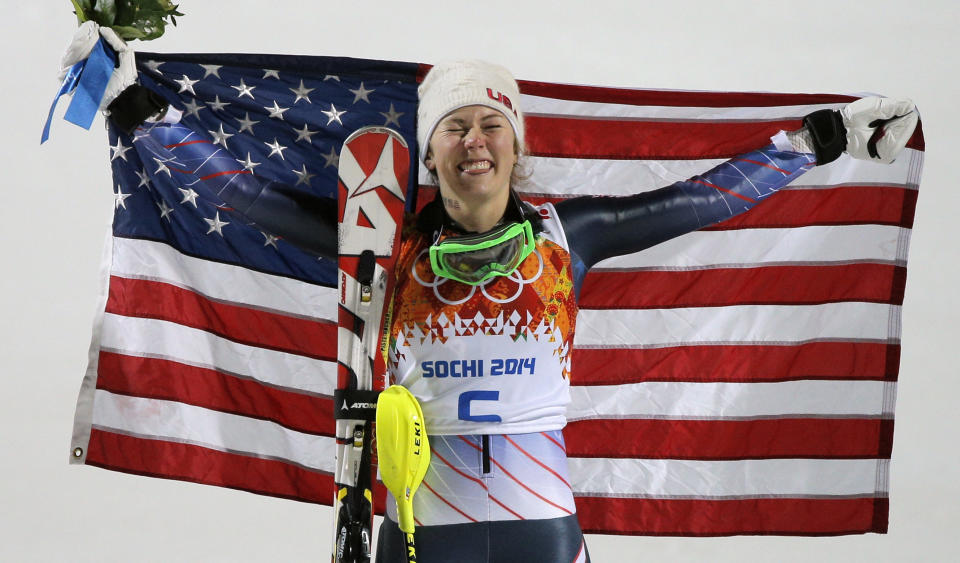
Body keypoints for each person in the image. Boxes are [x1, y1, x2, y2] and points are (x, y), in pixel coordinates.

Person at [72, 29, 917, 561]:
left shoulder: (565, 234)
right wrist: (131, 103)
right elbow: (239, 195)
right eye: (453, 126)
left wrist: (818, 138)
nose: (473, 142)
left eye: (489, 125)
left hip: (543, 526)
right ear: (429, 151)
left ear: (515, 144)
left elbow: (705, 198)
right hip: (422, 531)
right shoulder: (387, 238)